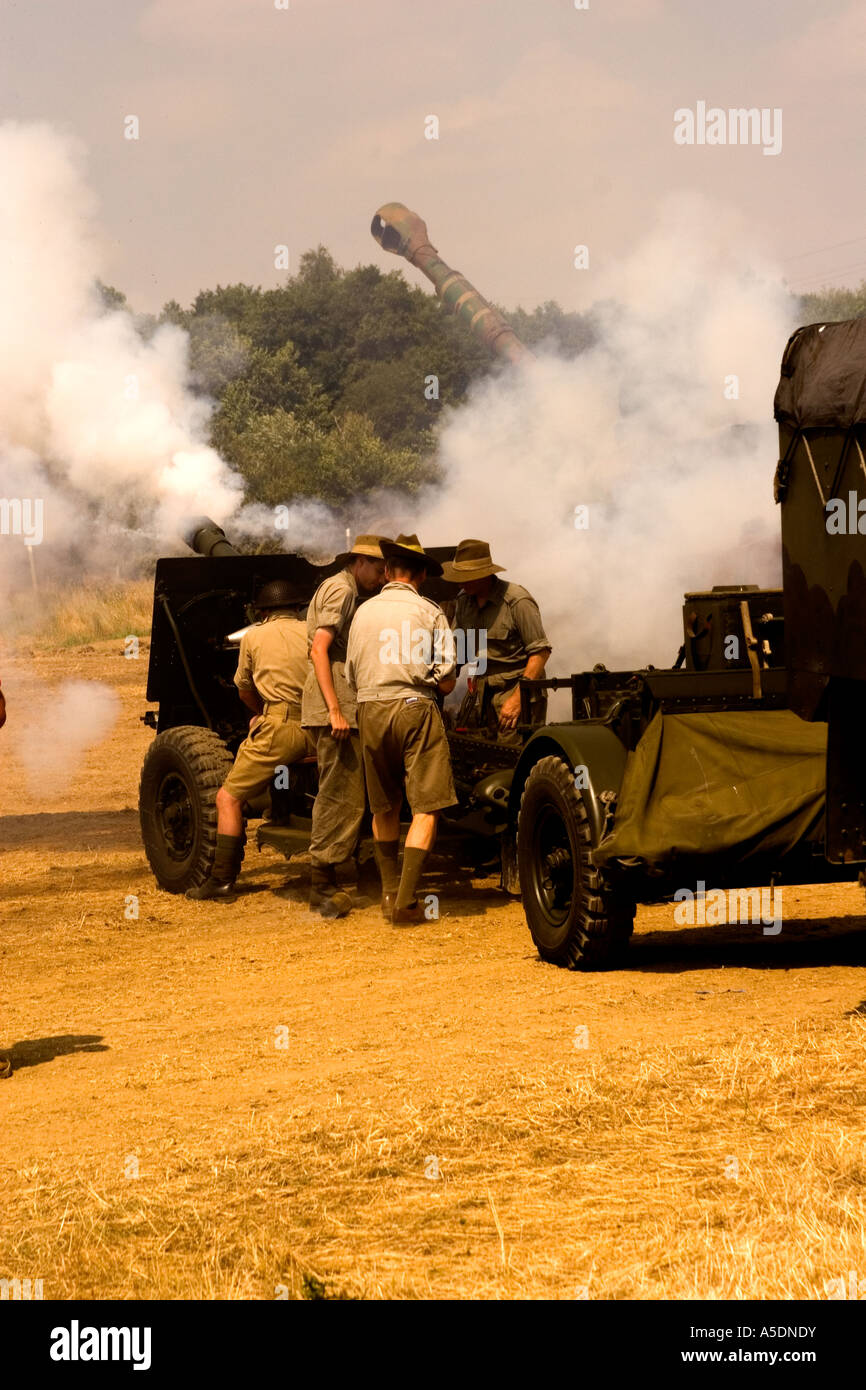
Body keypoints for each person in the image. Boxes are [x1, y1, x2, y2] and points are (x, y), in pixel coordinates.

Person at [346, 534, 457, 926]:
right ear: (422, 575)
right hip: (414, 707)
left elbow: (351, 674)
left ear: (389, 571)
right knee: (427, 807)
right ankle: (407, 901)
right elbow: (445, 680)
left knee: (385, 805)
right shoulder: (431, 612)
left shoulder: (363, 612)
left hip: (368, 709)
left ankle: (389, 892)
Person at [186, 579, 313, 901]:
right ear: (297, 608)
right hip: (322, 728)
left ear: (263, 612)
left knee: (228, 799)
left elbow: (244, 690)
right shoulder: (316, 632)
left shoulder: (254, 636)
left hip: (281, 729)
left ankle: (223, 881)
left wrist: (264, 713)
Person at [302, 534, 389, 918]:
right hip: (335, 703)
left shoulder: (341, 587)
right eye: (378, 569)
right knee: (341, 793)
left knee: (345, 791)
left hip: (335, 700)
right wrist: (336, 710)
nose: (383, 577)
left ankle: (337, 874)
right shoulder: (342, 591)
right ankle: (321, 884)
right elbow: (319, 648)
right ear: (359, 563)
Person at [443, 538, 552, 745]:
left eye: (467, 577)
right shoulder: (464, 602)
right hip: (482, 695)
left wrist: (517, 700)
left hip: (517, 691)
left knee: (510, 760)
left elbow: (540, 653)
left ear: (485, 574)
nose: (460, 583)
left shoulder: (517, 601)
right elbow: (459, 649)